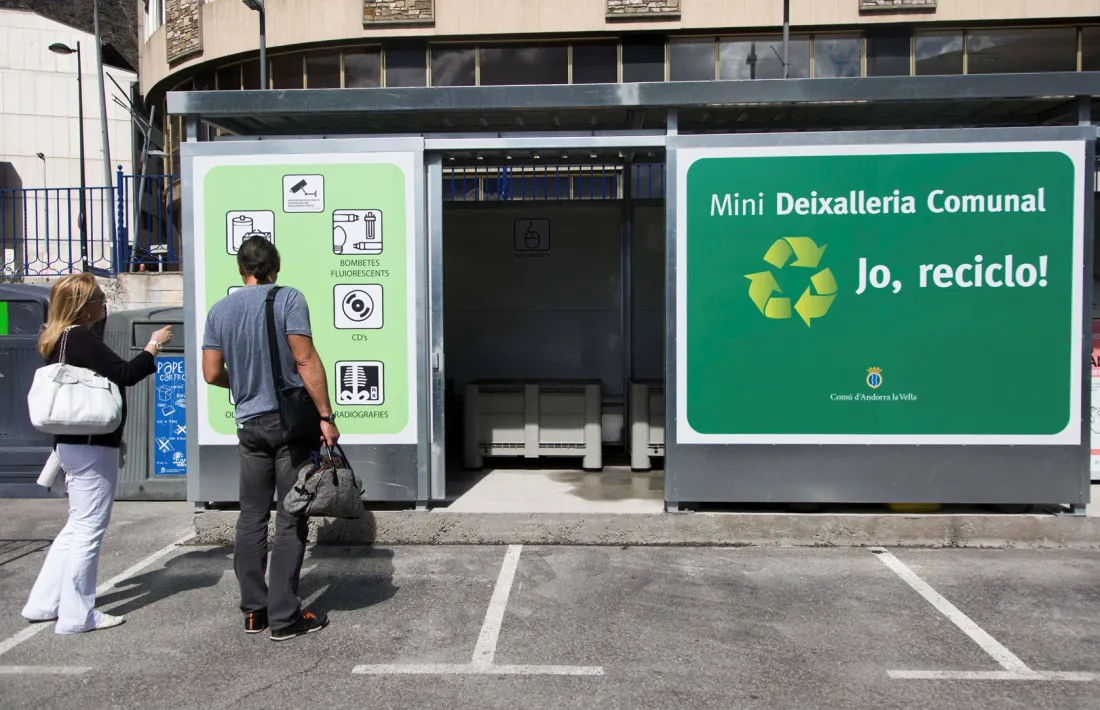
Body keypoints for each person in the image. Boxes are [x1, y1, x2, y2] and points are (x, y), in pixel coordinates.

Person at [201, 236, 339, 642]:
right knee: (291, 514)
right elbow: (304, 358)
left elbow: (211, 373)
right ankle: (284, 617)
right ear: (274, 266)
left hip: (249, 424)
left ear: (240, 268)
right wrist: (326, 416)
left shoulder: (220, 309)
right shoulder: (289, 299)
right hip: (288, 425)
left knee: (251, 515)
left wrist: (241, 384)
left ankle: (253, 612)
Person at [22, 273, 173, 634]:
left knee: (76, 526)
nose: (103, 303)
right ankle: (77, 614)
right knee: (89, 529)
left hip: (70, 443)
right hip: (92, 445)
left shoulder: (55, 338)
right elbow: (126, 373)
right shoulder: (79, 337)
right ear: (84, 306)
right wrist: (153, 345)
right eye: (98, 299)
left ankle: (44, 603)